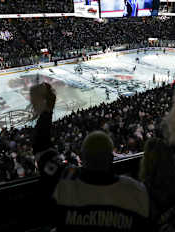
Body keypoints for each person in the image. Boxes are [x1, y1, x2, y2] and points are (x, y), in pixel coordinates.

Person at [31, 83, 150, 231]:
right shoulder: (134, 190)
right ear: (111, 159)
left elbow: (40, 146)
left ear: (83, 158)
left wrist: (47, 110)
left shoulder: (66, 179)